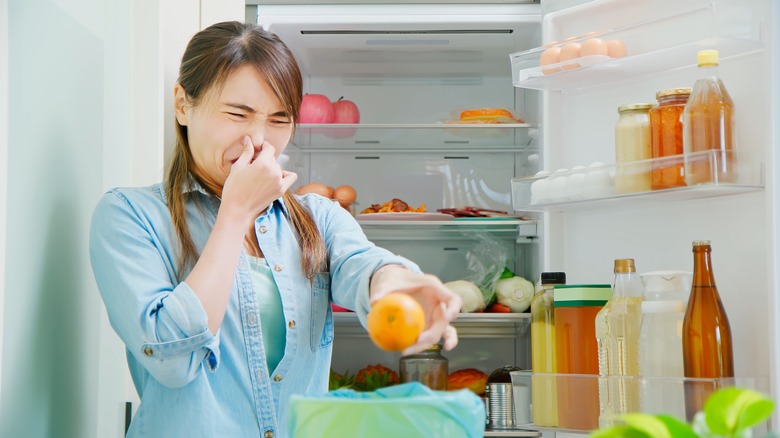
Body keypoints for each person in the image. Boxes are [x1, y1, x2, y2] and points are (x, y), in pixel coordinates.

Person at [89, 21, 462, 438]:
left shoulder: (318, 217)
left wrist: (398, 286)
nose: (259, 140)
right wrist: (235, 212)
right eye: (237, 114)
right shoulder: (130, 216)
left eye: (279, 120)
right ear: (182, 104)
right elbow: (173, 361)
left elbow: (365, 265)